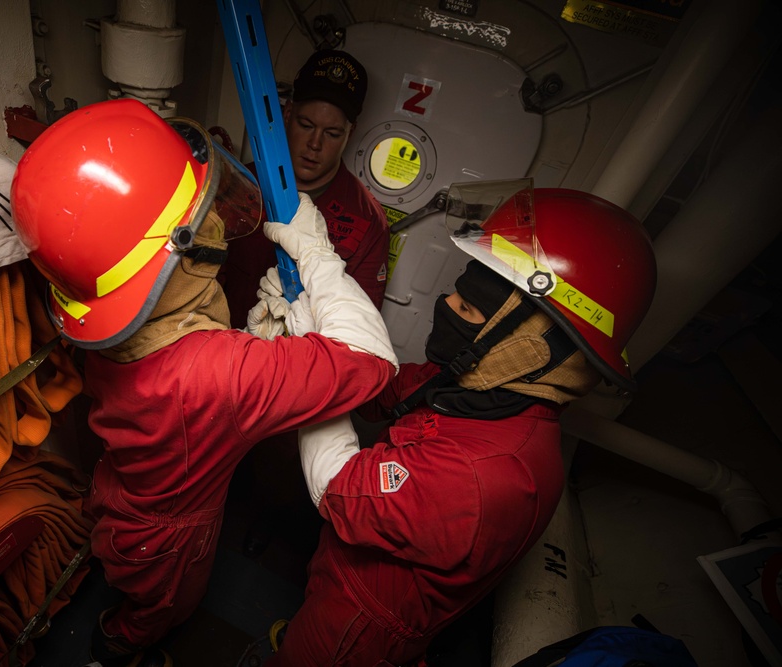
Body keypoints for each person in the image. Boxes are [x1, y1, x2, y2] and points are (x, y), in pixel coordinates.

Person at [9, 98, 398, 667]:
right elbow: (371, 360)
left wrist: (257, 347)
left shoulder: (111, 330)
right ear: (178, 256)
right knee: (161, 610)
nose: (216, 219)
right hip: (166, 544)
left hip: (120, 495)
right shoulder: (217, 373)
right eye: (206, 214)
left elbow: (186, 357)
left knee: (128, 575)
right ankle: (118, 646)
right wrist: (315, 254)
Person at [251, 181, 659, 666]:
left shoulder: (487, 474)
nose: (445, 306)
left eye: (466, 309)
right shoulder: (485, 386)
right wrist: (312, 322)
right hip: (342, 574)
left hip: (359, 626)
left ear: (527, 349)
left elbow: (338, 489)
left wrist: (313, 365)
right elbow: (386, 393)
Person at [221, 48, 391, 557]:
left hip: (288, 377)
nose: (314, 144)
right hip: (216, 353)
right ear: (285, 114)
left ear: (351, 133)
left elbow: (358, 324)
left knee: (277, 476)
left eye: (332, 133)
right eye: (305, 124)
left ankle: (262, 536)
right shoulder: (237, 184)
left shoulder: (366, 220)